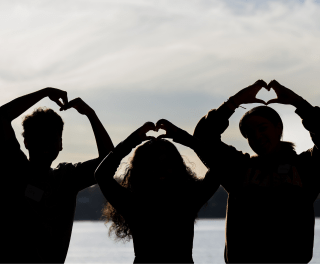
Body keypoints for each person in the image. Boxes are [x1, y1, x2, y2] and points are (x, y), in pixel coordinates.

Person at [193, 79, 320, 263]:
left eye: (262, 129)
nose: (257, 137)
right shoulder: (238, 168)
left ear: (279, 128)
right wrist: (234, 102)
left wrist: (299, 103)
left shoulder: (306, 166)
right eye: (249, 134)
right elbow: (204, 138)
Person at [0, 87, 114, 263]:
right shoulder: (16, 168)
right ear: (26, 142)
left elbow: (109, 161)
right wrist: (43, 92)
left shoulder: (67, 178)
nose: (46, 143)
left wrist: (91, 114)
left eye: (52, 138)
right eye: (40, 136)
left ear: (61, 144)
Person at [94, 119, 220, 263]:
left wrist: (132, 141)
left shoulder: (186, 200)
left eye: (167, 162)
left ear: (177, 168)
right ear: (141, 170)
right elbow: (101, 175)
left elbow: (219, 168)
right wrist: (183, 137)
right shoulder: (185, 200)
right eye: (153, 163)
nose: (161, 169)